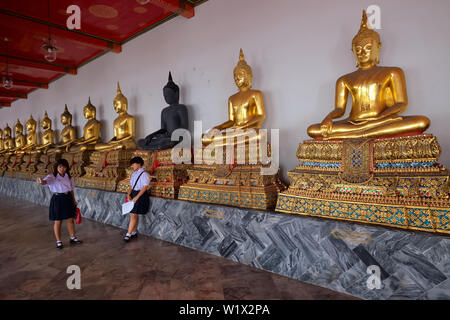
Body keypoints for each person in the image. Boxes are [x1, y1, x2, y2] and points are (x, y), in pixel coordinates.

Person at [36, 158, 82, 249]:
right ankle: (58, 241)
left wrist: (74, 200)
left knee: (70, 219)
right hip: (57, 199)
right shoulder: (52, 176)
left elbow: (71, 190)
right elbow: (45, 182)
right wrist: (41, 181)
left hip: (67, 198)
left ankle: (72, 238)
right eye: (60, 167)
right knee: (58, 221)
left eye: (64, 167)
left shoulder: (69, 177)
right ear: (56, 167)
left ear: (67, 168)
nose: (62, 169)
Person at [124, 156, 151, 242]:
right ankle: (134, 232)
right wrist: (128, 194)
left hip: (140, 195)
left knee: (133, 214)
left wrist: (136, 197)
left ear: (139, 164)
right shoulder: (134, 174)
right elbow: (131, 186)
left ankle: (128, 234)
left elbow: (145, 187)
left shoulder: (145, 174)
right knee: (134, 214)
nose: (132, 166)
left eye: (133, 164)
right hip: (133, 193)